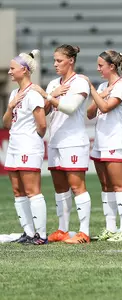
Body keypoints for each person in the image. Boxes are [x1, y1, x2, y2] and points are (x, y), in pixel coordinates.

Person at [32, 44, 92, 244]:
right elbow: (47, 110)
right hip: (56, 140)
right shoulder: (53, 84)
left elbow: (70, 108)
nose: (55, 64)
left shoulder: (80, 82)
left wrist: (50, 95)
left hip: (74, 141)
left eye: (59, 60)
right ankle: (62, 230)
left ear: (71, 60)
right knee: (60, 188)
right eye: (54, 60)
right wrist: (52, 95)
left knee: (77, 186)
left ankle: (83, 232)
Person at [85, 50, 122, 242]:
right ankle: (111, 228)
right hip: (101, 141)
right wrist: (98, 92)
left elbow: (105, 107)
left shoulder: (121, 86)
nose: (98, 69)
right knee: (106, 186)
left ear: (111, 66)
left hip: (115, 141)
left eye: (100, 65)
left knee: (119, 186)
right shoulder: (104, 86)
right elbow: (90, 113)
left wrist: (94, 91)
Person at [3, 50, 48, 245]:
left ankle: (41, 235)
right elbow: (6, 124)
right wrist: (10, 107)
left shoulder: (33, 94)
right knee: (17, 190)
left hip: (28, 146)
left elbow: (42, 125)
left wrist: (33, 139)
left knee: (32, 190)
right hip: (13, 145)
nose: (9, 72)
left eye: (12, 69)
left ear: (24, 70)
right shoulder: (14, 93)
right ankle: (28, 233)